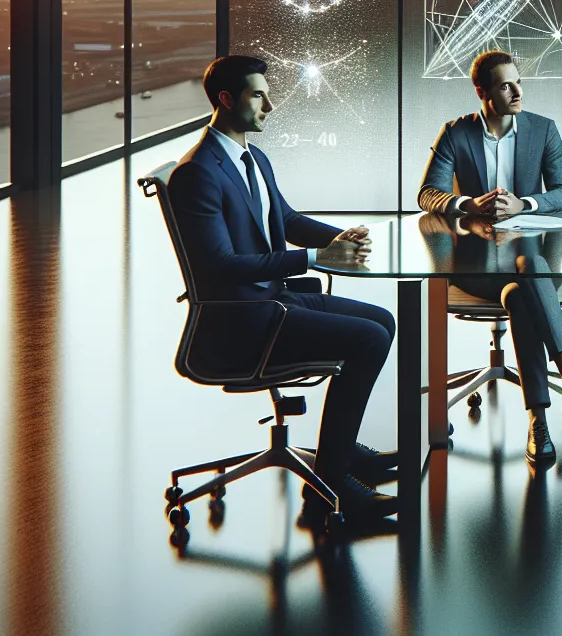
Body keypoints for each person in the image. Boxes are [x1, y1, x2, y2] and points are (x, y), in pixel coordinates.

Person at [169, 55, 399, 520]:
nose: (270, 106)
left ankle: (339, 452)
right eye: (258, 96)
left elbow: (286, 220)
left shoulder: (252, 157)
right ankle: (330, 485)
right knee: (369, 339)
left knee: (382, 320)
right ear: (226, 99)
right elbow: (221, 266)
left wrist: (338, 238)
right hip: (243, 319)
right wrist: (317, 258)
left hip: (273, 298)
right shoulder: (198, 172)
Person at [416, 50, 562, 466]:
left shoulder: (543, 129)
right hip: (474, 265)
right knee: (529, 281)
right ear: (482, 92)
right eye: (505, 85)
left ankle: (538, 422)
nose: (516, 92)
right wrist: (469, 204)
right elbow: (427, 194)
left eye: (518, 82)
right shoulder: (455, 133)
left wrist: (523, 204)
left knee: (522, 290)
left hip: (526, 262)